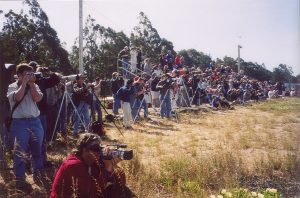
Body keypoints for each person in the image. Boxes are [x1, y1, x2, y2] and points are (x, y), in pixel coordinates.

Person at [51, 133, 132, 198]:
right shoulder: (73, 165)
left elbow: (121, 183)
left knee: (123, 191)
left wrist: (113, 165)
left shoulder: (93, 162)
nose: (99, 152)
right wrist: (107, 168)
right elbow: (93, 192)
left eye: (100, 148)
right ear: (84, 149)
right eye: (96, 148)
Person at [7, 63, 44, 192]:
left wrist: (32, 84)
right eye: (27, 74)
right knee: (20, 152)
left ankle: (37, 175)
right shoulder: (12, 87)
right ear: (19, 76)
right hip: (20, 122)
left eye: (31, 73)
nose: (30, 76)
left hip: (35, 121)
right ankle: (20, 179)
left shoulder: (35, 85)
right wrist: (23, 84)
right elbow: (17, 97)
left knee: (37, 150)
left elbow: (38, 98)